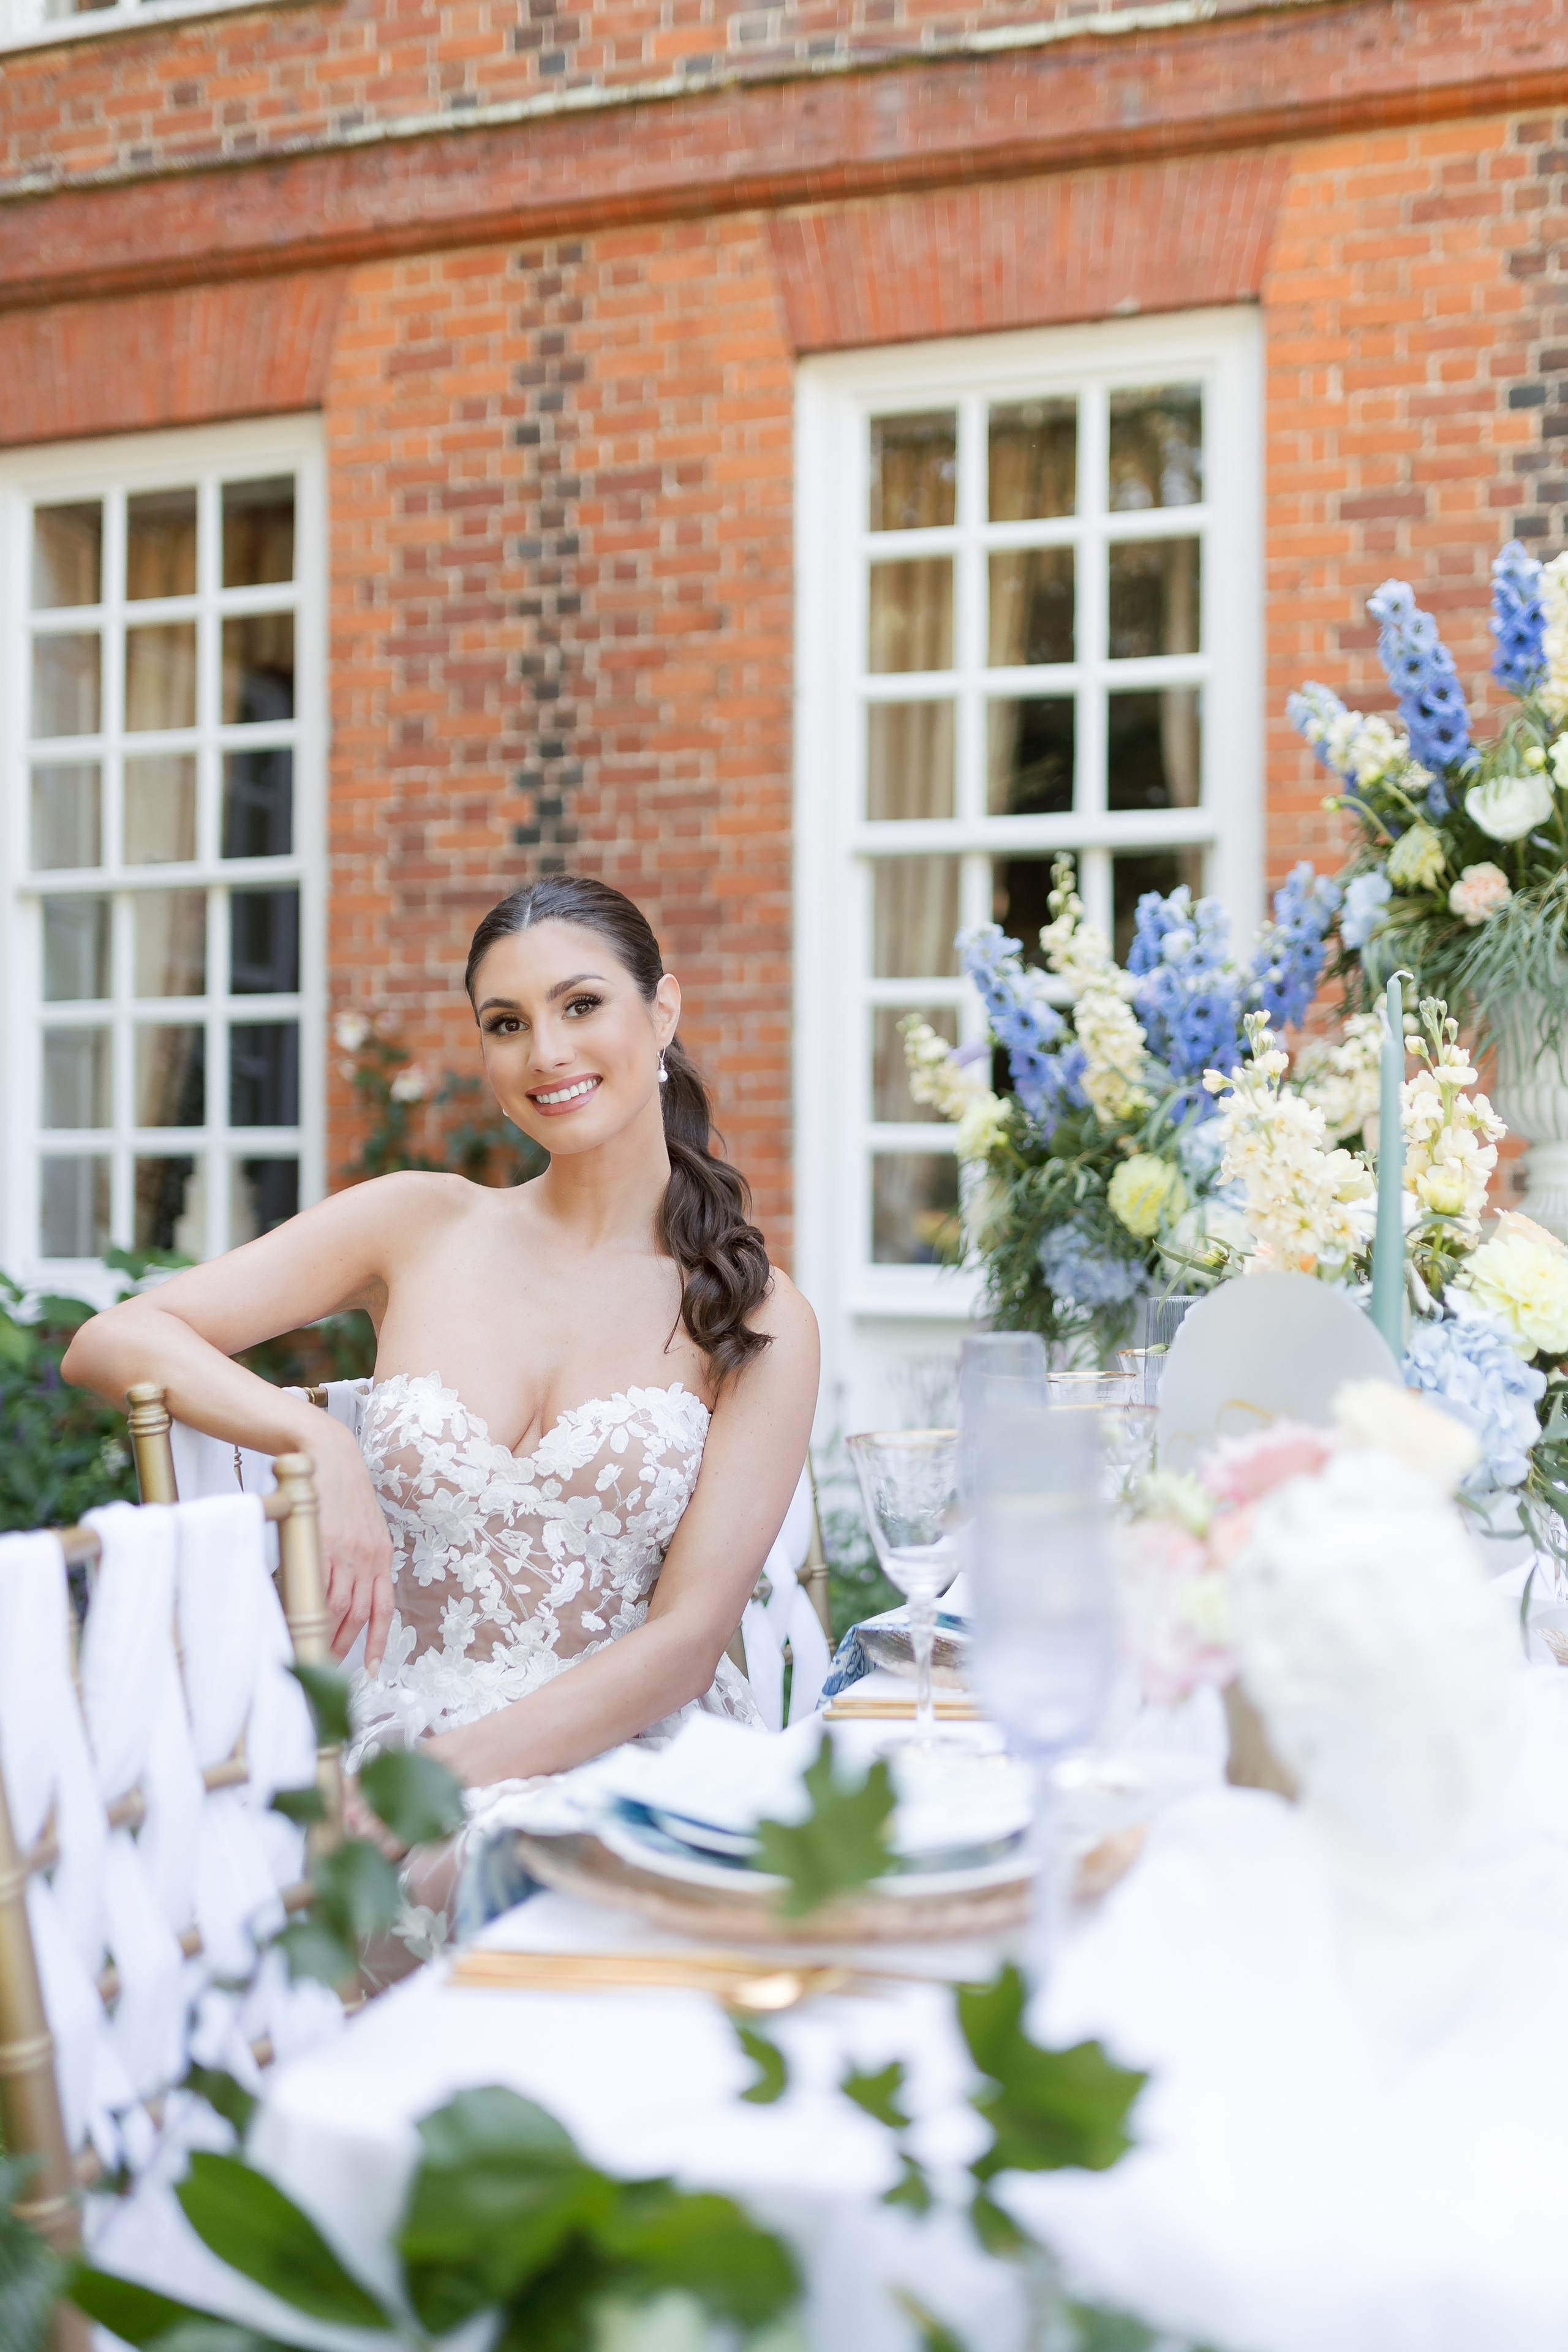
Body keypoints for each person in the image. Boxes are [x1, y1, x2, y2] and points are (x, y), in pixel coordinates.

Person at [63, 875, 820, 1797]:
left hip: (629, 1767)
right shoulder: (417, 1224)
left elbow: (686, 1645)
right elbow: (112, 1339)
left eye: (582, 1005)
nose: (547, 1052)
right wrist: (314, 1440)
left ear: (662, 1011)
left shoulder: (754, 1312)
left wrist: (425, 1795)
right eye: (505, 1024)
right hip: (394, 1735)